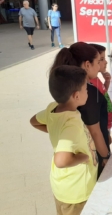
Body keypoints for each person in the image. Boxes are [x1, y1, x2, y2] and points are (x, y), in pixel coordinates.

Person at [29, 65, 98, 215]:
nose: (88, 92)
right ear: (76, 96)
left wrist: (55, 133)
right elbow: (61, 161)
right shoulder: (71, 123)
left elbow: (34, 120)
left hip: (62, 185)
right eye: (85, 89)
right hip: (76, 191)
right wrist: (83, 157)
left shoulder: (52, 108)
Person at [51, 42, 110, 178]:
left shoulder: (70, 88)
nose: (100, 65)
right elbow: (95, 132)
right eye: (98, 61)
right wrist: (106, 156)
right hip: (94, 153)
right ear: (87, 65)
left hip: (83, 149)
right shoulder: (88, 93)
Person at [89, 44, 112, 149]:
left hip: (106, 125)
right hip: (101, 128)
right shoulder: (90, 83)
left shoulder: (96, 78)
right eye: (102, 59)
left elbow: (102, 95)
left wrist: (107, 82)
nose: (106, 62)